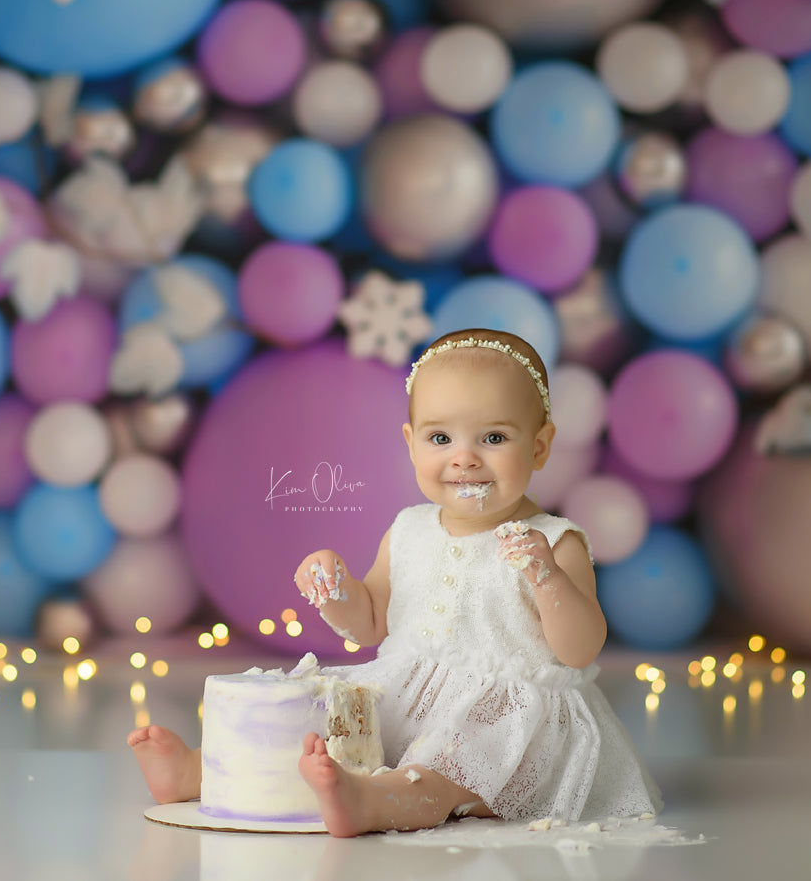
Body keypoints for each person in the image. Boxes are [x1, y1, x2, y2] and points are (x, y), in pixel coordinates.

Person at [129, 328, 662, 836]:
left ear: (541, 446)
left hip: (506, 723)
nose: (464, 457)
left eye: (494, 437)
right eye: (440, 437)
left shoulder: (553, 541)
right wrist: (338, 591)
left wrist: (545, 578)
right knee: (324, 726)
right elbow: (371, 622)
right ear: (411, 444)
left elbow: (579, 648)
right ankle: (202, 772)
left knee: (446, 767)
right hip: (408, 689)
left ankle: (376, 801)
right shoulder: (409, 530)